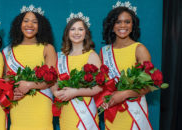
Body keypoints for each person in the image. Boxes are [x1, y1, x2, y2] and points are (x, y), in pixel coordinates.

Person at [2, 5, 57, 130]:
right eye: (26, 21)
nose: (29, 25)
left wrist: (29, 85)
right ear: (19, 24)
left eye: (34, 22)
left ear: (40, 26)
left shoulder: (48, 48)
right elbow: (6, 78)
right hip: (18, 103)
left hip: (41, 103)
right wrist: (10, 93)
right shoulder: (9, 50)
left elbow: (51, 79)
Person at [100, 2, 152, 130]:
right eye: (118, 22)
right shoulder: (104, 52)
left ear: (132, 25)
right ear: (112, 26)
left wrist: (125, 94)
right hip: (113, 113)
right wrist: (102, 101)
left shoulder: (139, 49)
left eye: (127, 22)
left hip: (134, 112)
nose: (123, 25)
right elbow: (101, 84)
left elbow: (149, 86)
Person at [51, 12, 102, 130]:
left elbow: (99, 87)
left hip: (86, 111)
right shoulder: (60, 56)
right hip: (66, 111)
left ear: (86, 33)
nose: (76, 33)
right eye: (72, 29)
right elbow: (53, 81)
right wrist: (55, 92)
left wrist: (75, 92)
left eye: (80, 29)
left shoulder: (92, 56)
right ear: (67, 33)